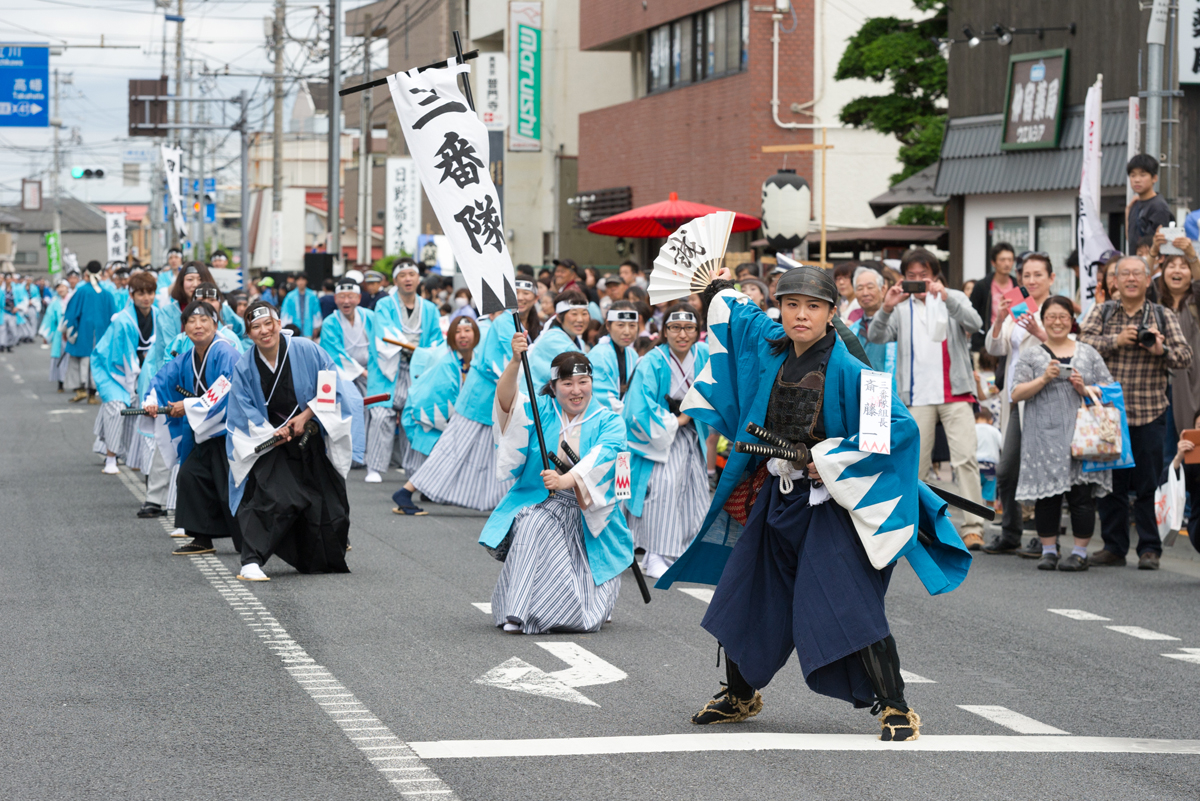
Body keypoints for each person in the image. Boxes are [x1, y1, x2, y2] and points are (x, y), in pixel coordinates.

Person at [657, 265, 969, 740]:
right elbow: (742, 317)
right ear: (780, 308)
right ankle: (740, 694)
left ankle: (896, 706)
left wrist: (829, 458)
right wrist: (720, 287)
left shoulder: (855, 369)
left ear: (831, 313)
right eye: (791, 304)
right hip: (779, 496)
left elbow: (899, 431)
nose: (801, 315)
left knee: (848, 601)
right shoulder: (772, 345)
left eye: (814, 306)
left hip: (833, 507)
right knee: (745, 591)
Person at [480, 340, 633, 634]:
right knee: (530, 523)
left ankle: (578, 605)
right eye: (567, 383)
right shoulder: (541, 412)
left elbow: (605, 456)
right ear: (553, 386)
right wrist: (515, 361)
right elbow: (506, 401)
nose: (576, 390)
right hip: (546, 500)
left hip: (592, 509)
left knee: (591, 595)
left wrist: (567, 479)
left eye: (583, 382)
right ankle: (518, 609)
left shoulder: (609, 421)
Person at [225, 301, 364, 581]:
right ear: (248, 333)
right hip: (272, 440)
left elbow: (330, 386)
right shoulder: (245, 365)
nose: (264, 331)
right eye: (256, 327)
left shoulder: (306, 349)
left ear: (279, 324)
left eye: (269, 324)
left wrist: (305, 416)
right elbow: (242, 408)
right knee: (274, 496)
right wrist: (270, 433)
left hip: (310, 434)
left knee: (330, 506)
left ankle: (318, 555)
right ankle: (251, 561)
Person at [1079, 254, 1193, 570]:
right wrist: (1115, 340)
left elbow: (1185, 356)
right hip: (1107, 415)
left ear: (1146, 280)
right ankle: (1114, 547)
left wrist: (1161, 350)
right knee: (1111, 484)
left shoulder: (1162, 314)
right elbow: (1081, 344)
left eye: (1137, 274)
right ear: (1114, 280)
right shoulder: (1102, 311)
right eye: (1124, 273)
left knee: (1148, 483)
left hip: (1150, 411)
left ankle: (1149, 549)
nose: (1130, 279)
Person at [868, 249, 986, 549]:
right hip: (917, 395)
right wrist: (886, 307)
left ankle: (973, 527)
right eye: (912, 276)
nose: (919, 281)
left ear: (935, 275)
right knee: (915, 464)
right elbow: (876, 336)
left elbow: (975, 322)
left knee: (965, 459)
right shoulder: (900, 307)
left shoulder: (952, 297)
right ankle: (915, 524)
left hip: (955, 391)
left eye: (924, 275)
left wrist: (946, 296)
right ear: (903, 278)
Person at [399, 279, 542, 514]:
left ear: (536, 299)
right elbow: (503, 365)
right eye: (518, 293)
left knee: (496, 454)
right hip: (480, 399)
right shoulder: (505, 321)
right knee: (451, 451)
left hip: (494, 402)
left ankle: (507, 503)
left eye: (528, 293)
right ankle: (405, 491)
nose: (523, 297)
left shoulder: (526, 324)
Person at [1008, 296, 1114, 571]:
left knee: (1081, 496)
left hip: (1082, 436)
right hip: (1043, 436)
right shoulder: (1032, 355)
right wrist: (1043, 378)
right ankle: (1048, 550)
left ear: (1072, 321)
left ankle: (1079, 553)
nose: (1057, 322)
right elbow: (1016, 392)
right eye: (1051, 316)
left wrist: (1085, 388)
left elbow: (1111, 389)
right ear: (1043, 320)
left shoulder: (1088, 352)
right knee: (1047, 497)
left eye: (1063, 317)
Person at [144, 300, 242, 557]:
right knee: (190, 477)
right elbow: (164, 377)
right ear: (184, 326)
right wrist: (152, 399)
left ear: (216, 323)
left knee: (227, 486)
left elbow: (225, 391)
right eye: (191, 321)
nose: (197, 326)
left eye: (204, 320)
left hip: (227, 432)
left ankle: (250, 542)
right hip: (203, 432)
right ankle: (202, 537)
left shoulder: (226, 352)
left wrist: (187, 405)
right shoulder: (188, 356)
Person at [623, 303, 710, 579]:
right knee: (662, 488)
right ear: (665, 331)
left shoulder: (705, 355)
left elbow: (719, 392)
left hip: (693, 435)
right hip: (661, 435)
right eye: (675, 328)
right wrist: (678, 419)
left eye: (689, 328)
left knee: (694, 491)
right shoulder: (651, 361)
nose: (682, 334)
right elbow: (637, 407)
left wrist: (694, 414)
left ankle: (677, 552)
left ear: (698, 331)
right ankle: (654, 553)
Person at [981, 253, 1056, 556]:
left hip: (1044, 399)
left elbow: (1067, 348)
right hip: (1014, 399)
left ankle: (1045, 536)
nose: (1032, 281)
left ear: (1052, 278)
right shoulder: (1018, 308)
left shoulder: (1055, 309)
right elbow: (994, 347)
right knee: (1007, 469)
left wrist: (1041, 333)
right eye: (1026, 275)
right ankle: (1011, 532)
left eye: (1038, 275)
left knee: (1043, 470)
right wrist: (1000, 318)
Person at [390, 316, 481, 513]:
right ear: (451, 337)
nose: (463, 335)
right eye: (457, 331)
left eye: (468, 330)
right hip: (432, 416)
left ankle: (417, 492)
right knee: (447, 454)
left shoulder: (475, 359)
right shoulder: (446, 363)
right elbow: (439, 399)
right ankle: (405, 493)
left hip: (458, 417)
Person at [366, 261, 445, 481]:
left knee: (415, 417)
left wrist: (426, 354)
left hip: (418, 368)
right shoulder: (384, 305)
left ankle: (414, 470)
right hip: (388, 367)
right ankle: (375, 466)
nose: (408, 279)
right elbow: (385, 334)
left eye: (412, 274)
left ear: (418, 279)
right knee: (381, 415)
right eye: (403, 275)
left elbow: (437, 339)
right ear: (394, 280)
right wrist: (415, 348)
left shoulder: (429, 308)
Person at [89, 272, 159, 474]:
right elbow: (123, 355)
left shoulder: (157, 314)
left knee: (138, 408)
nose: (146, 297)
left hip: (138, 371)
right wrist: (133, 383)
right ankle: (111, 458)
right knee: (117, 406)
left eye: (150, 292)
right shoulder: (123, 321)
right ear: (131, 294)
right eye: (141, 293)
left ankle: (127, 454)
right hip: (111, 369)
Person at [63, 260, 119, 404]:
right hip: (101, 335)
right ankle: (93, 394)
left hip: (82, 333)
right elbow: (114, 317)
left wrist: (68, 330)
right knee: (97, 364)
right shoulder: (107, 293)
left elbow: (71, 313)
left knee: (79, 362)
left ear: (86, 273)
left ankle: (80, 390)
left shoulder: (81, 291)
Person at [318, 278, 375, 399]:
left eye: (351, 296)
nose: (346, 301)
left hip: (371, 372)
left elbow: (379, 344)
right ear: (335, 299)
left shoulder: (369, 316)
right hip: (344, 376)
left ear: (359, 298)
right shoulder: (330, 323)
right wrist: (362, 372)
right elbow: (335, 354)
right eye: (342, 296)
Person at [526, 290, 590, 385]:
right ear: (559, 318)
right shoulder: (554, 340)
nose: (580, 319)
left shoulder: (577, 340)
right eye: (574, 314)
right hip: (538, 397)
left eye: (584, 314)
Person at [589, 301, 641, 412]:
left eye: (632, 325)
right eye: (620, 325)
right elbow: (604, 400)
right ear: (608, 325)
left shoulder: (632, 354)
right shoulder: (599, 355)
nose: (627, 332)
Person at [969, 243, 1017, 352]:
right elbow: (972, 313)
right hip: (984, 344)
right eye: (1002, 260)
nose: (1007, 264)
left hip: (1010, 344)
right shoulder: (982, 286)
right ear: (993, 262)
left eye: (1010, 260)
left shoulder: (1017, 286)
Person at [848, 266, 895, 376]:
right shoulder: (853, 330)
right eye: (859, 289)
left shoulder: (896, 325)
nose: (865, 293)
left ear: (883, 290)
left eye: (870, 287)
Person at [1126, 154, 1174, 251]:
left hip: (1151, 263)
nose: (1137, 180)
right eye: (1133, 175)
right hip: (1136, 262)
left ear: (1154, 178)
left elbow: (1160, 245)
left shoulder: (1158, 206)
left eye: (1142, 175)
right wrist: (1127, 210)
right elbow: (1130, 240)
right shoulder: (1135, 204)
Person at [40, 280, 71, 391]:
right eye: (58, 287)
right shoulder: (54, 302)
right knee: (59, 357)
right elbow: (49, 318)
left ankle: (75, 383)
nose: (61, 289)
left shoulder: (73, 299)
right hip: (59, 333)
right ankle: (61, 382)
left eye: (63, 286)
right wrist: (46, 335)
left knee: (72, 358)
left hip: (72, 333)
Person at [975, 407, 1001, 510]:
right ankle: (990, 510)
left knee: (973, 489)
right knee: (990, 490)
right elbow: (1003, 444)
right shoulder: (994, 430)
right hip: (990, 466)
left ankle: (974, 510)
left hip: (975, 464)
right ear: (990, 421)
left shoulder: (972, 428)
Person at [280, 273, 322, 338]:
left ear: (306, 281)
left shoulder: (312, 296)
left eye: (303, 280)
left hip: (309, 330)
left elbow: (316, 312)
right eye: (298, 280)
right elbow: (286, 312)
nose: (301, 282)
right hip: (294, 331)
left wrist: (316, 327)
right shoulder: (290, 297)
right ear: (296, 281)